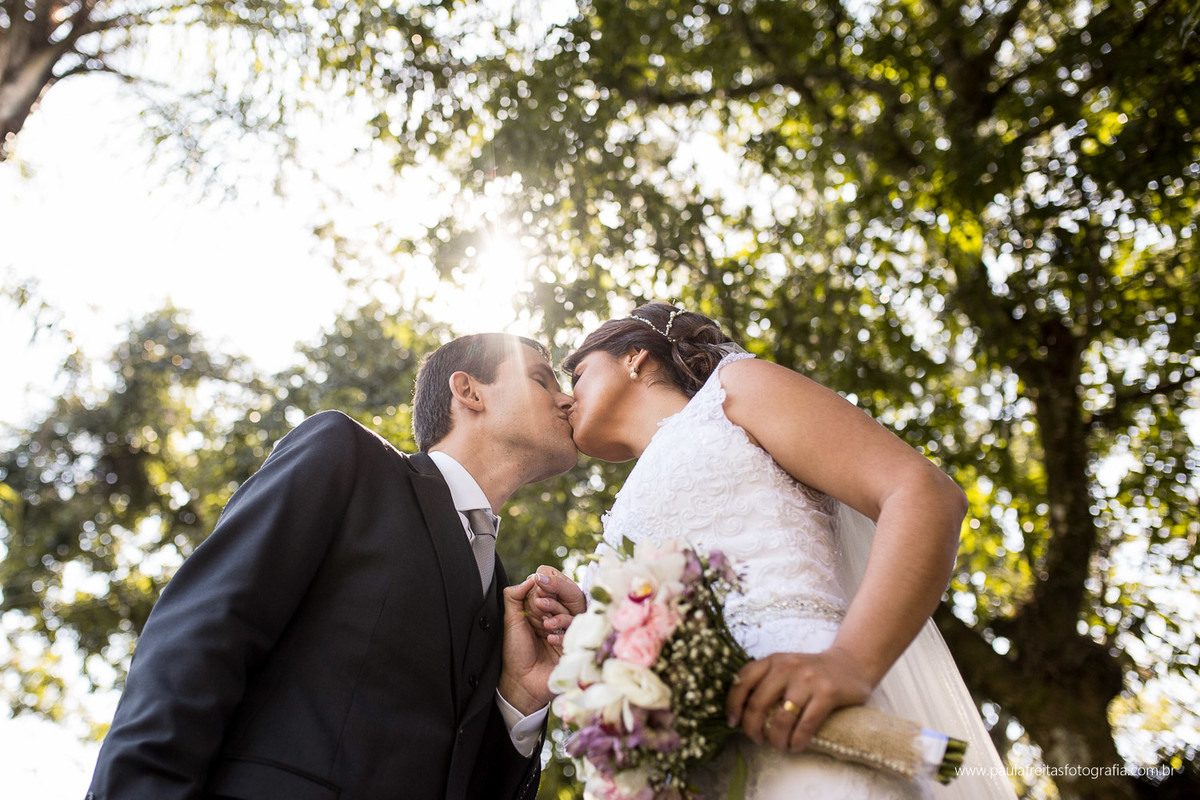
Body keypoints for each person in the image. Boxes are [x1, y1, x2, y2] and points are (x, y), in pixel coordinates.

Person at [86, 333, 585, 800]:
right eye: (542, 379)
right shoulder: (348, 456)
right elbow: (202, 630)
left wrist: (519, 701)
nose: (566, 400)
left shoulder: (505, 599)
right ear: (469, 391)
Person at [561, 302, 1015, 799]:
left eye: (576, 377)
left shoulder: (734, 389)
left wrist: (852, 662)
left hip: (809, 722)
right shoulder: (621, 514)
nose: (565, 399)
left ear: (635, 356)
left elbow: (921, 492)